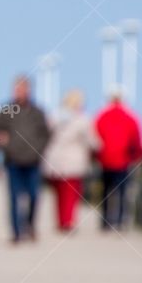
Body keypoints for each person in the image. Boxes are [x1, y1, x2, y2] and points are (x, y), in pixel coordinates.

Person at [0, 75, 50, 243]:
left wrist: (38, 150)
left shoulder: (37, 112)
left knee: (34, 196)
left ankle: (29, 225)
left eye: (22, 88)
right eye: (16, 89)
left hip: (33, 161)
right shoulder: (6, 110)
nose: (19, 92)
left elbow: (46, 134)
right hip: (13, 161)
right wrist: (5, 145)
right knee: (14, 198)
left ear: (29, 90)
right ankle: (16, 232)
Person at [42, 89, 99, 233]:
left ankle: (61, 221)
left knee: (59, 194)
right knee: (71, 194)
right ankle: (68, 221)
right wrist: (99, 147)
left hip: (54, 161)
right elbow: (92, 141)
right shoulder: (82, 120)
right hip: (73, 162)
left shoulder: (54, 117)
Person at [94, 88, 142, 231]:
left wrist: (97, 156)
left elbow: (95, 137)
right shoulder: (131, 117)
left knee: (106, 191)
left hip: (105, 160)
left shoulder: (102, 116)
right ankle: (121, 220)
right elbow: (136, 138)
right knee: (122, 191)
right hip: (123, 160)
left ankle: (106, 221)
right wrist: (136, 156)